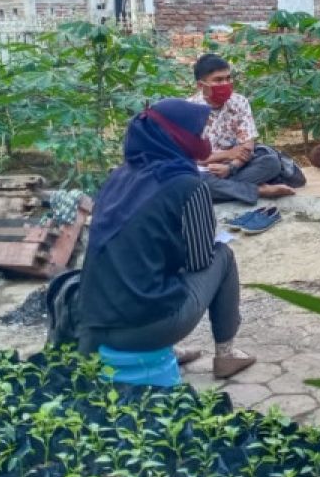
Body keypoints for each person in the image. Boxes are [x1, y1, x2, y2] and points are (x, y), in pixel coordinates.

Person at [74, 99, 256, 379]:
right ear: (177, 137)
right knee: (222, 256)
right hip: (149, 327)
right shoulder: (186, 185)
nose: (203, 139)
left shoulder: (119, 177)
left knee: (152, 264)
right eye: (197, 133)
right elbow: (199, 261)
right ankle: (226, 355)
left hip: (94, 322)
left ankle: (171, 350)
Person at [189, 53, 301, 204]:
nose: (225, 83)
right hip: (203, 172)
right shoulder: (188, 110)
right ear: (201, 85)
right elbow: (189, 158)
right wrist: (227, 154)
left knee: (271, 162)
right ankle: (258, 190)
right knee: (191, 183)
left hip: (235, 167)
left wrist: (230, 167)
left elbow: (247, 146)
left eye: (228, 78)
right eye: (218, 80)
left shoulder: (239, 102)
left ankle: (225, 191)